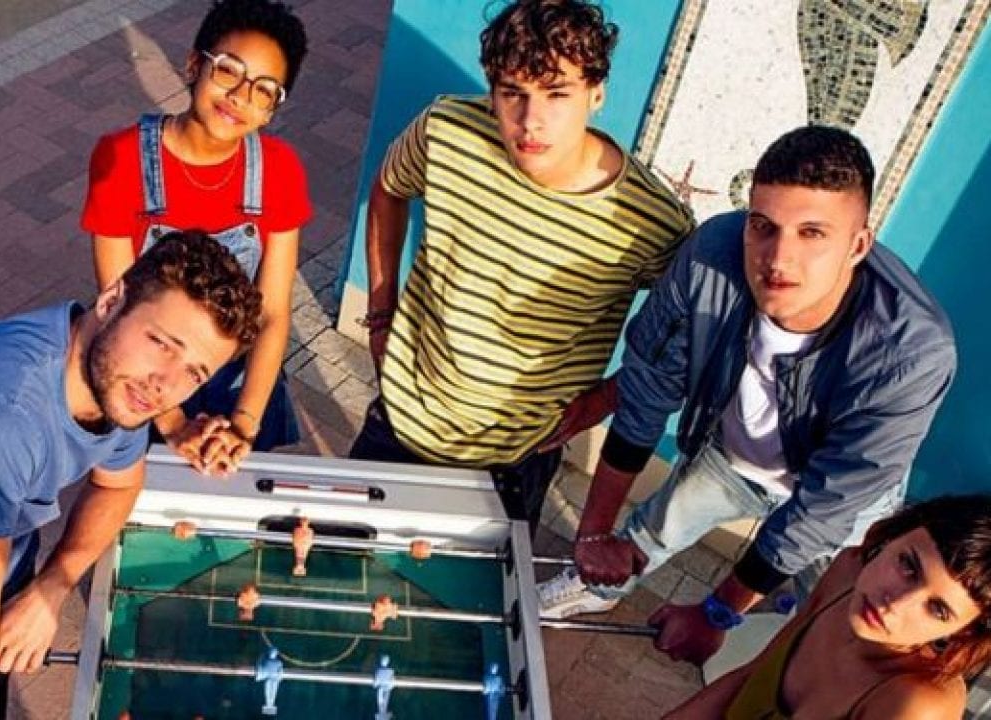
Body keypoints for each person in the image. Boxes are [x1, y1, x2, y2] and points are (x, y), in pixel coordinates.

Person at [536, 125, 957, 667]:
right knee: (650, 532)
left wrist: (717, 614)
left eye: (812, 232)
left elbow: (821, 511)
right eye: (764, 226)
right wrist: (594, 535)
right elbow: (648, 388)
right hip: (732, 456)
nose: (778, 258)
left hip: (844, 506)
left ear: (858, 245)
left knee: (835, 623)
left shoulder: (912, 352)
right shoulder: (714, 252)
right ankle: (593, 587)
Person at [348, 0, 692, 531]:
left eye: (557, 93)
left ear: (596, 93)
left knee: (478, 582)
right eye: (513, 93)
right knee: (337, 557)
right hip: (401, 417)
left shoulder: (650, 220)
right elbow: (389, 189)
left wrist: (606, 398)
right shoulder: (446, 131)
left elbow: (686, 330)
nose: (531, 121)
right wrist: (379, 311)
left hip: (516, 457)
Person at [0, 230, 262, 719]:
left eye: (195, 373)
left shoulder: (117, 378)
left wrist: (52, 586)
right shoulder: (0, 416)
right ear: (111, 302)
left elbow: (118, 484)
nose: (165, 384)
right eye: (161, 344)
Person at [83, 0, 310, 474]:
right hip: (143, 378)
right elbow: (118, 304)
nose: (240, 96)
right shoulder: (121, 158)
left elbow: (272, 313)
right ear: (193, 65)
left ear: (273, 108)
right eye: (228, 70)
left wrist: (243, 425)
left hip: (237, 383)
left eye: (264, 90)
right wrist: (173, 424)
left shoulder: (280, 170)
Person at [667, 495, 991, 719]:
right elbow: (751, 674)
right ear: (893, 536)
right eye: (908, 565)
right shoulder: (847, 574)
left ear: (962, 631)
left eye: (938, 609)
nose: (895, 604)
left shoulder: (915, 703)